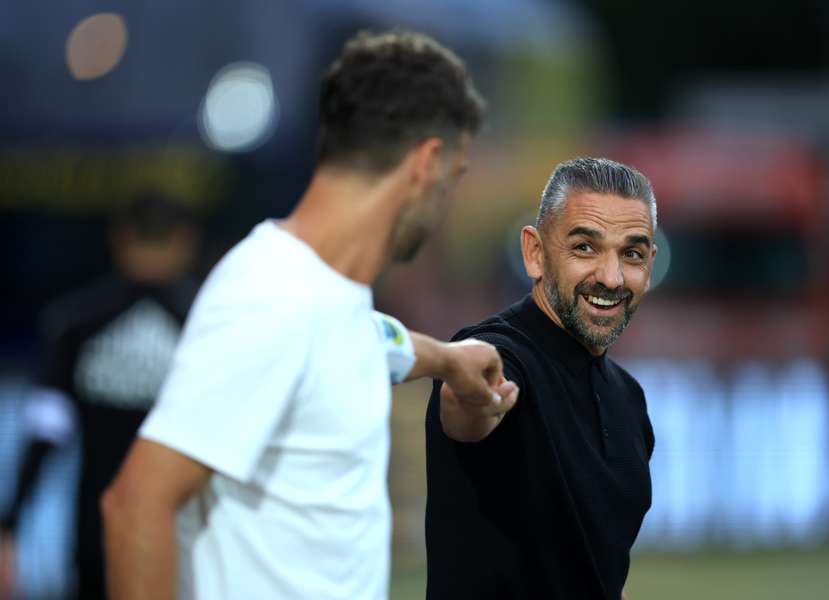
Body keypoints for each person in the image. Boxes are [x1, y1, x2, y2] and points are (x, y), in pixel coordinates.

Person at [101, 30, 519, 600]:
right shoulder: (273, 296)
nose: (449, 202)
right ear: (427, 163)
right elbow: (135, 506)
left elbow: (364, 343)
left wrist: (447, 359)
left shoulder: (324, 297)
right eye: (456, 177)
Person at [425, 157, 658, 600]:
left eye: (631, 253)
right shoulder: (503, 356)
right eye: (585, 248)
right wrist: (464, 378)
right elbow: (470, 392)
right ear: (534, 253)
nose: (611, 277)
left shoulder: (629, 400)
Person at [0, 192, 200, 600]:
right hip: (186, 537)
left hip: (97, 533)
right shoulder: (207, 324)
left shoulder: (78, 319)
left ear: (121, 238)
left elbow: (46, 429)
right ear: (184, 241)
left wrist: (10, 525)